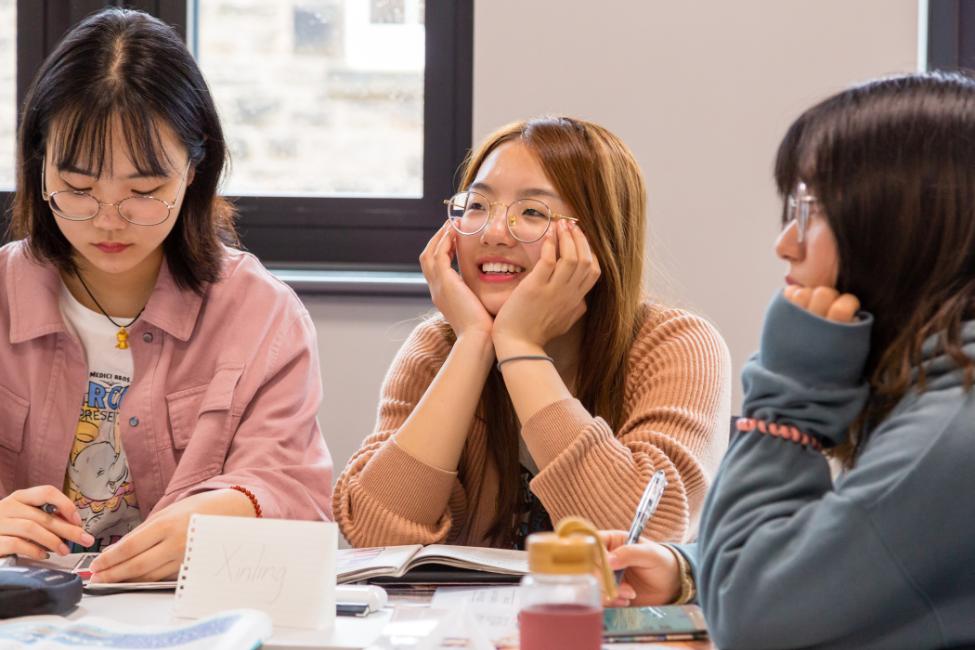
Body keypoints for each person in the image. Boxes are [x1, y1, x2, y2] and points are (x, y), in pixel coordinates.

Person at [602, 72, 975, 649]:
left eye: (812, 208)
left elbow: (752, 623)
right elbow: (874, 553)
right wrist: (693, 570)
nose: (786, 243)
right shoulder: (944, 388)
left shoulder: (951, 427)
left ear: (902, 224)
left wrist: (789, 397)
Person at [0, 8, 332, 583]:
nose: (109, 219)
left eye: (145, 190)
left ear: (195, 169)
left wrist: (233, 512)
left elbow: (298, 496)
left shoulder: (261, 316)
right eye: (77, 188)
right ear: (37, 160)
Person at [333, 116, 731, 549]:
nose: (494, 232)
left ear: (598, 235)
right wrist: (473, 345)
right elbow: (374, 537)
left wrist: (520, 349)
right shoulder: (439, 347)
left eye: (533, 212)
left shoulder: (678, 345)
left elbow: (641, 535)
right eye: (478, 206)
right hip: (466, 618)